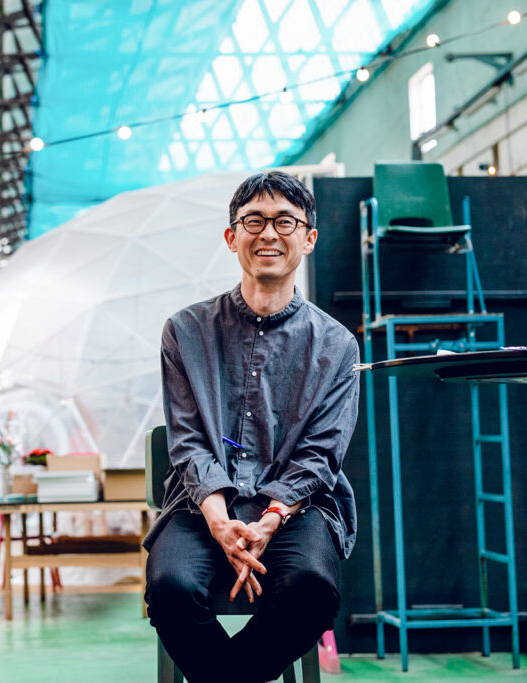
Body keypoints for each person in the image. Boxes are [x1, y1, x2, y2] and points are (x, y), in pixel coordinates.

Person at [143, 170, 359, 683]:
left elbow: (321, 454)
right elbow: (189, 440)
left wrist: (270, 518)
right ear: (231, 236)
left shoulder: (337, 345)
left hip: (296, 510)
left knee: (311, 585)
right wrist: (219, 520)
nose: (268, 234)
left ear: (307, 238)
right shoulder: (184, 331)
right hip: (202, 509)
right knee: (170, 587)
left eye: (285, 221)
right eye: (253, 221)